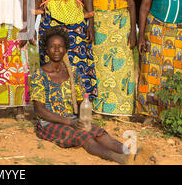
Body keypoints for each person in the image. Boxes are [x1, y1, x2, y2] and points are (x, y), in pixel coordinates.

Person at [30, 27, 136, 164]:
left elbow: (81, 101)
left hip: (72, 119)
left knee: (99, 133)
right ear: (46, 49)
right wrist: (69, 122)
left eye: (60, 46)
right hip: (49, 123)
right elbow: (39, 109)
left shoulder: (72, 72)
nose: (56, 50)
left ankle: (132, 153)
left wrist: (85, 116)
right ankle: (118, 158)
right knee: (83, 136)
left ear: (66, 49)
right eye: (52, 47)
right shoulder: (40, 75)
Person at [88, 0, 137, 117]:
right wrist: (91, 27)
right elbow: (88, 3)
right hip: (100, 22)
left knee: (122, 68)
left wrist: (133, 32)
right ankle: (99, 109)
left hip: (121, 23)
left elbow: (131, 3)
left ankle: (121, 110)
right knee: (99, 65)